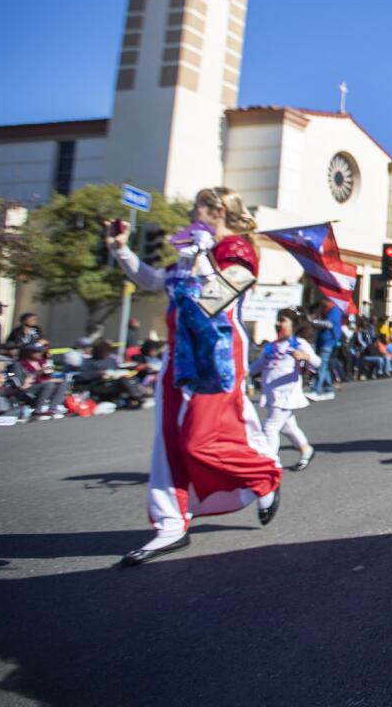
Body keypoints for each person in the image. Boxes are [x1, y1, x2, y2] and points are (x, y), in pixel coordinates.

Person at [106, 187, 282, 565]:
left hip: (215, 356)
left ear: (217, 210)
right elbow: (154, 281)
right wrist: (121, 249)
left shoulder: (237, 249)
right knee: (169, 441)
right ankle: (170, 523)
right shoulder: (190, 252)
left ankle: (264, 475)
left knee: (201, 442)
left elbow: (216, 298)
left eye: (197, 206)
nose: (189, 212)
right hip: (177, 356)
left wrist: (202, 256)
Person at [251, 308, 319, 471]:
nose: (278, 323)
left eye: (283, 320)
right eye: (278, 320)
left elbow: (317, 362)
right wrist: (243, 372)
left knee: (270, 427)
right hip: (272, 393)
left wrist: (305, 357)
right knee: (288, 427)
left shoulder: (299, 343)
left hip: (286, 394)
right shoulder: (271, 347)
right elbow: (257, 365)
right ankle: (306, 449)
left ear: (293, 324)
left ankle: (270, 463)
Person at [309, 299, 344, 400]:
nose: (323, 304)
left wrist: (313, 322)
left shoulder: (334, 311)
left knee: (321, 366)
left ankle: (315, 390)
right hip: (322, 341)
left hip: (328, 342)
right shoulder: (328, 311)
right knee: (324, 366)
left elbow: (329, 324)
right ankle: (328, 389)